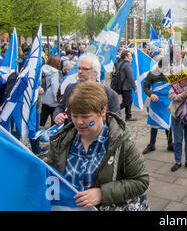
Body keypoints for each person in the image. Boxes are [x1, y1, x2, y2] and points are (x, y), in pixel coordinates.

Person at [45, 81, 149, 210]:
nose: (78, 122)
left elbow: (140, 181)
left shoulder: (121, 143)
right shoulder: (62, 141)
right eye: (75, 115)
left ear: (102, 111)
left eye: (86, 116)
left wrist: (102, 193)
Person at [53, 54, 121, 125]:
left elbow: (116, 121)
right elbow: (60, 107)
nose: (80, 71)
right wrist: (58, 115)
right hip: (72, 133)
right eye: (79, 68)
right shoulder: (70, 88)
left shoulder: (109, 94)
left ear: (95, 72)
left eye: (85, 69)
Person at [142, 58, 173, 154]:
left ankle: (170, 144)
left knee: (168, 124)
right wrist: (150, 94)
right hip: (156, 102)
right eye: (161, 69)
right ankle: (152, 145)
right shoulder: (151, 74)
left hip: (168, 102)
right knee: (154, 123)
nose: (163, 71)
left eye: (165, 69)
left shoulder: (172, 73)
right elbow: (145, 86)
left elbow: (181, 85)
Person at [39, 56, 62, 128]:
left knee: (43, 113)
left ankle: (39, 127)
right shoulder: (55, 72)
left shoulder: (42, 69)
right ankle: (52, 130)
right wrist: (57, 98)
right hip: (52, 97)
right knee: (53, 114)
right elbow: (55, 86)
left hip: (43, 95)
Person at [117, 50, 137, 121]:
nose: (131, 57)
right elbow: (131, 77)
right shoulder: (127, 65)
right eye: (130, 56)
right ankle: (113, 110)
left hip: (121, 86)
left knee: (129, 101)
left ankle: (128, 116)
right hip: (126, 86)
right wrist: (134, 87)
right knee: (127, 102)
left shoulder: (120, 63)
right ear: (126, 57)